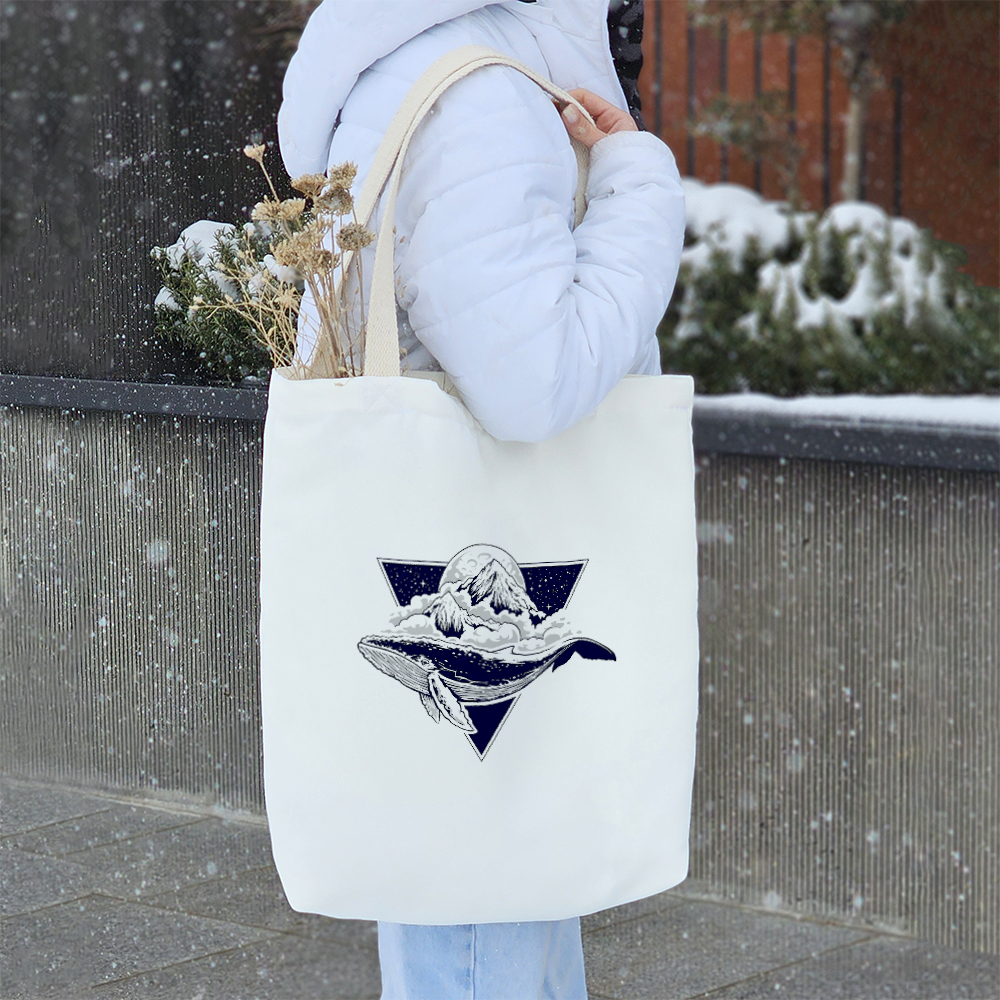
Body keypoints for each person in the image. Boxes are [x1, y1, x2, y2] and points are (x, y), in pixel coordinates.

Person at [277, 1, 685, 996]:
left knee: (485, 888)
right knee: (482, 918)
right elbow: (532, 384)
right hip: (490, 567)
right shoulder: (479, 95)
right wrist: (637, 185)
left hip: (460, 572)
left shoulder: (431, 60)